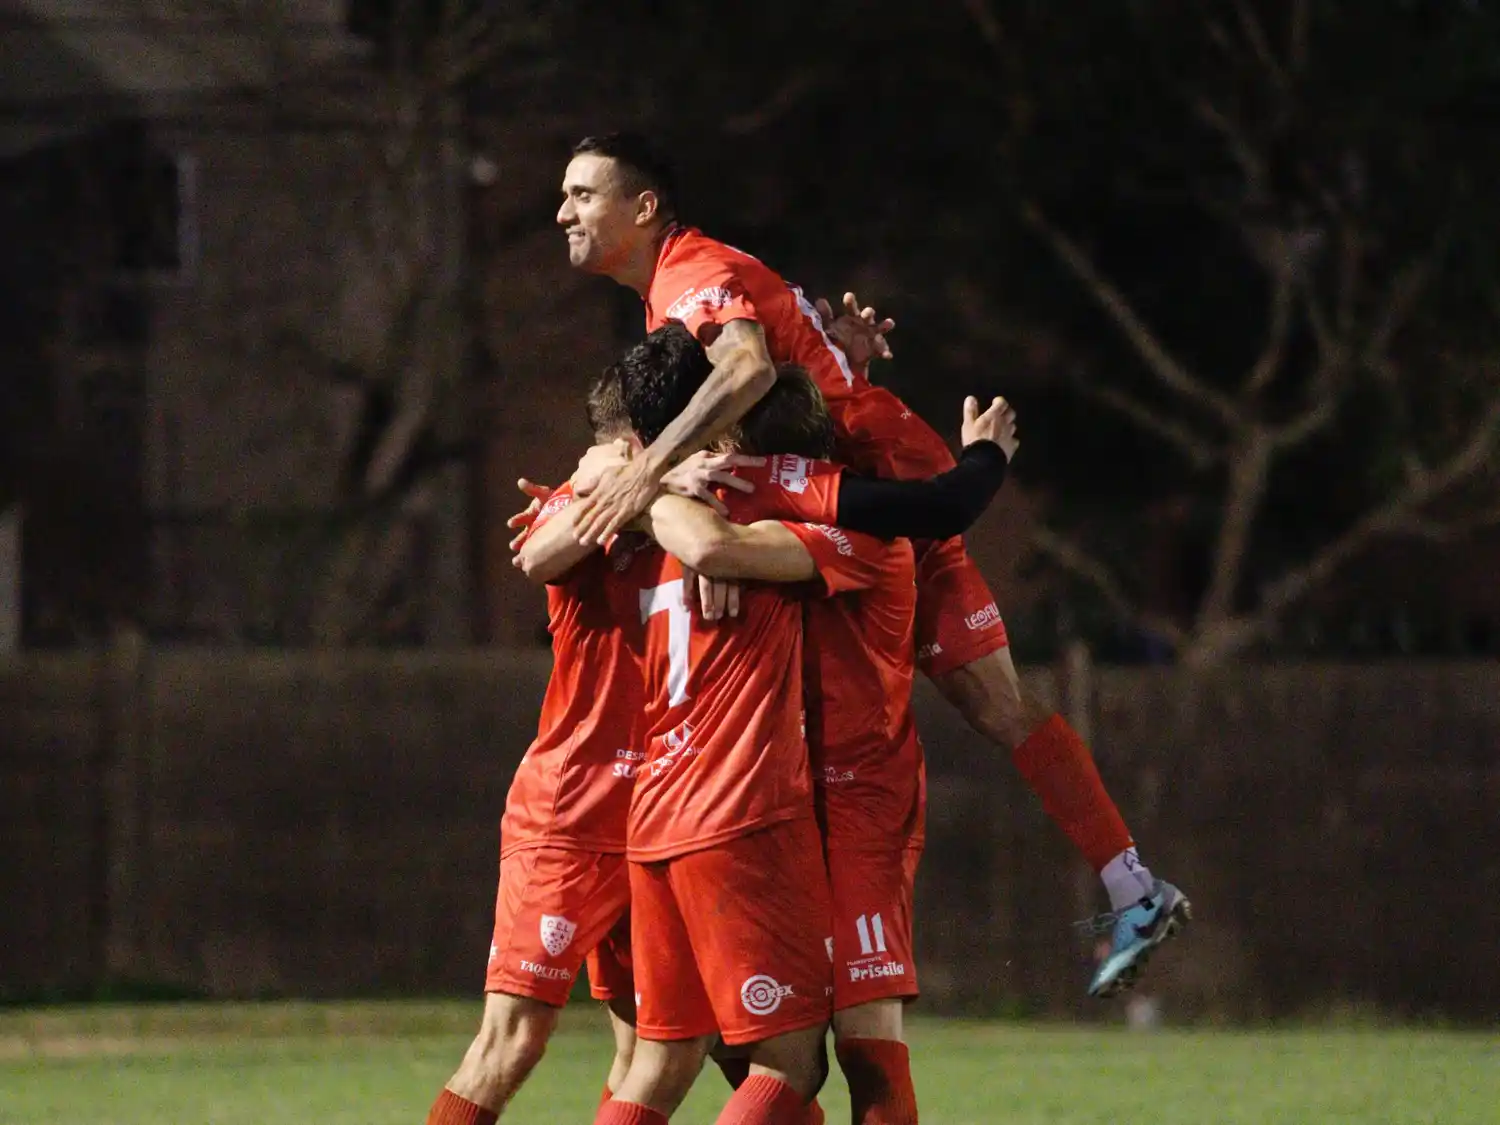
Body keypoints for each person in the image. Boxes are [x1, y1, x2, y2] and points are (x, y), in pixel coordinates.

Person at [551, 132, 1189, 998]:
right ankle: (1126, 887)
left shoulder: (691, 271)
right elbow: (779, 373)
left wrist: (650, 472)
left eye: (583, 194)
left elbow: (746, 369)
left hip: (868, 492)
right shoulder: (682, 287)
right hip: (858, 481)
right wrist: (826, 359)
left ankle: (807, 972)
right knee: (971, 706)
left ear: (644, 207)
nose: (564, 212)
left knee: (873, 720)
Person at [631, 361, 1018, 1125]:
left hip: (801, 804)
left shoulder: (737, 518)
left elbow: (695, 532)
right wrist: (983, 454)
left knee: (706, 1055)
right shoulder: (748, 518)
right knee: (795, 1056)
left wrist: (651, 487)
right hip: (758, 810)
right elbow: (937, 503)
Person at [425, 369, 647, 1125]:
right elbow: (538, 555)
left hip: (663, 811)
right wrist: (597, 484)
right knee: (512, 1039)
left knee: (651, 1048)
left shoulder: (692, 505)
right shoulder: (586, 499)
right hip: (573, 810)